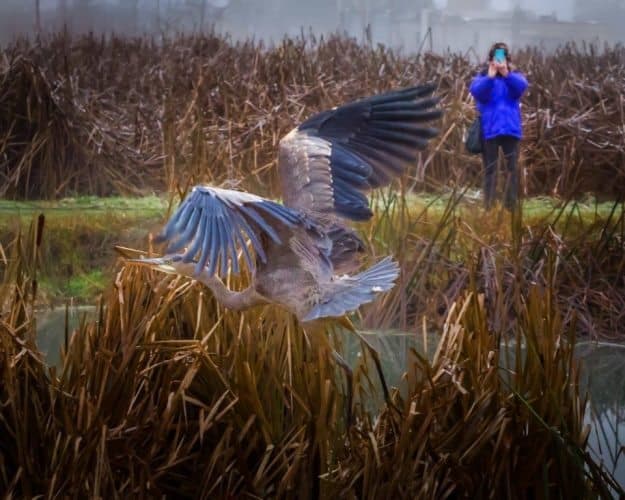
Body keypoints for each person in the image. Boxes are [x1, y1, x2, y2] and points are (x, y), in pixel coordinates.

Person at [469, 42, 528, 210]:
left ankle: (511, 206)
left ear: (508, 59)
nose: (499, 61)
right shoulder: (483, 77)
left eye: (502, 58)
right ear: (490, 60)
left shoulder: (514, 77)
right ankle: (489, 206)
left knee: (511, 169)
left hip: (510, 129)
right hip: (490, 129)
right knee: (490, 170)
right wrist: (490, 76)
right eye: (496, 58)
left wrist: (506, 73)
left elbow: (521, 88)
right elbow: (476, 91)